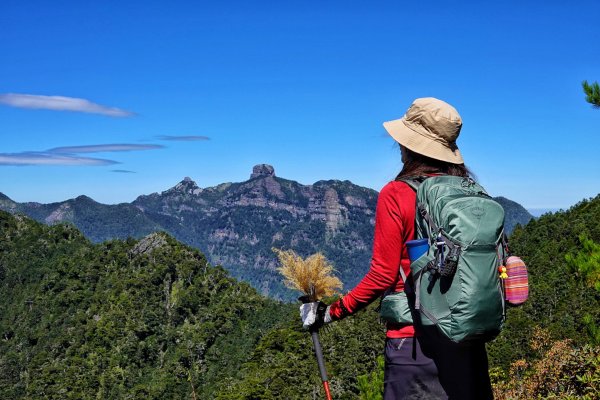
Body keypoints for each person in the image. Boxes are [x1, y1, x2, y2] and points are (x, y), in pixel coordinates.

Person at [300, 97, 494, 399]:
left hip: (415, 344)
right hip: (468, 344)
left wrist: (330, 313)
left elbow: (382, 275)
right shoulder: (473, 192)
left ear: (409, 146)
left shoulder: (397, 192)